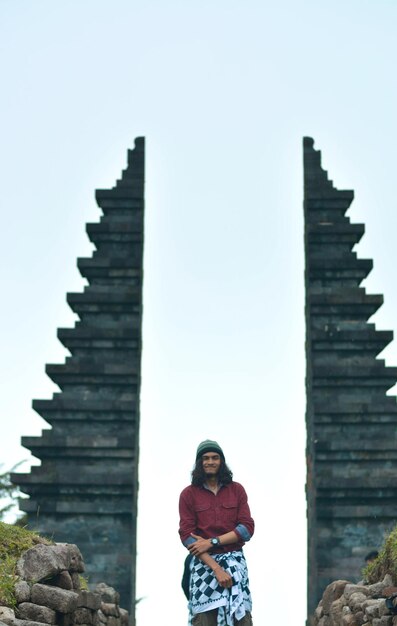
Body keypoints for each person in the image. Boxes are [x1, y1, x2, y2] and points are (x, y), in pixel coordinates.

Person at [179, 439, 255, 626]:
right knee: (203, 621)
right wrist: (216, 569)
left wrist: (211, 542)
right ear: (199, 463)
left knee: (242, 619)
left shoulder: (237, 490)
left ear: (221, 461)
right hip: (205, 564)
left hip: (235, 563)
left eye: (214, 457)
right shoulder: (188, 494)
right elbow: (187, 536)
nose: (210, 462)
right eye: (205, 458)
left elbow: (246, 529)